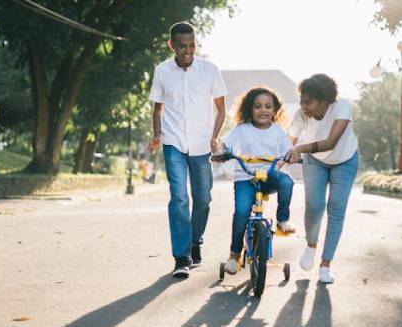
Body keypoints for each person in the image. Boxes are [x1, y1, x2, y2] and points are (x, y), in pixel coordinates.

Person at [148, 21, 227, 278]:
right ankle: (181, 257)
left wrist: (214, 137)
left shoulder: (210, 70)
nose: (188, 51)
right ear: (171, 45)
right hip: (173, 143)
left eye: (192, 45)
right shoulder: (162, 71)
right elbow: (157, 108)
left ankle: (195, 242)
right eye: (182, 46)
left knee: (203, 199)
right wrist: (157, 135)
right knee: (179, 198)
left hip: (202, 144)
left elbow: (221, 108)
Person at [286, 73, 359, 284]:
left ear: (325, 99)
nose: (303, 106)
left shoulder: (341, 107)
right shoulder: (302, 114)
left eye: (308, 101)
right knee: (314, 206)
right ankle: (311, 245)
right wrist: (284, 155)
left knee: (336, 209)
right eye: (301, 100)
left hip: (345, 160)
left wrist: (300, 148)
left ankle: (326, 265)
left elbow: (331, 142)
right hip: (315, 162)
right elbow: (288, 141)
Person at [217, 86, 295, 274]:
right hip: (245, 177)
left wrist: (290, 157)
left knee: (287, 182)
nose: (263, 110)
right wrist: (222, 152)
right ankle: (234, 255)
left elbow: (287, 152)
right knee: (242, 212)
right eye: (258, 106)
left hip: (268, 175)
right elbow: (225, 144)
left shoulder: (278, 131)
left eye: (268, 106)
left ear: (275, 110)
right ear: (249, 109)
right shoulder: (242, 129)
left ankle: (282, 220)